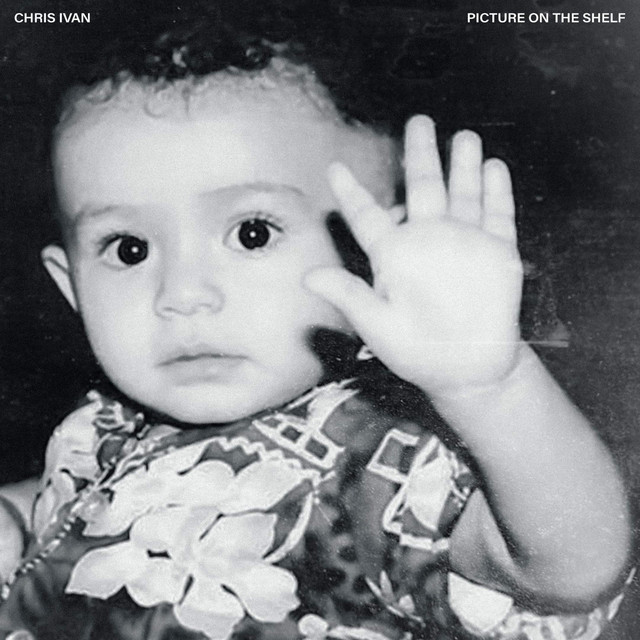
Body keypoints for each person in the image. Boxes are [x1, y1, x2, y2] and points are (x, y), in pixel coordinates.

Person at [0, 14, 631, 640]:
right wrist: (16, 514)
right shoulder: (102, 425)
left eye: (253, 233)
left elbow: (572, 566)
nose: (182, 295)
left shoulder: (376, 456)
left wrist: (491, 389)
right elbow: (75, 508)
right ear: (70, 286)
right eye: (128, 249)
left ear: (375, 256)